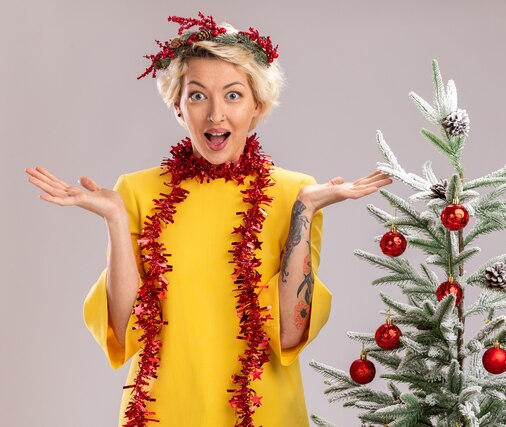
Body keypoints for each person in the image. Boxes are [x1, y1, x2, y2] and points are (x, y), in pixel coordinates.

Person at [24, 12, 392, 427]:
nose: (216, 114)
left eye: (233, 95)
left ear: (257, 105)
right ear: (179, 107)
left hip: (262, 411)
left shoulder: (295, 193)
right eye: (197, 95)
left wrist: (304, 210)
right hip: (162, 410)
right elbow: (126, 328)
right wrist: (114, 218)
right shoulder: (136, 191)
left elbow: (289, 334)